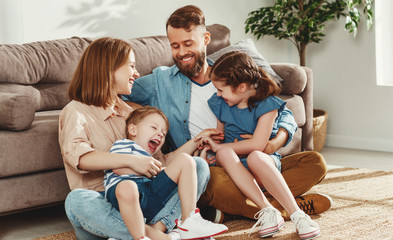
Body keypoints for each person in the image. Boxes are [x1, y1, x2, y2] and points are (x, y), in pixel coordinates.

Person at [123, 4, 331, 223]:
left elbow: (279, 110)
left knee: (315, 162)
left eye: (188, 43)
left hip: (258, 160)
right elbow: (119, 90)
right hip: (216, 166)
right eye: (175, 46)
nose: (181, 52)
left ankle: (241, 209)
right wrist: (140, 115)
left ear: (205, 39)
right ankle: (284, 207)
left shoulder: (230, 72)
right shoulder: (160, 80)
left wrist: (273, 143)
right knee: (207, 180)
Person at [58, 37, 213, 240]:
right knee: (76, 200)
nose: (137, 73)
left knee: (198, 165)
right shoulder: (75, 111)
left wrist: (196, 141)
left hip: (146, 199)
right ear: (108, 68)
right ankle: (159, 235)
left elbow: (161, 162)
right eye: (131, 66)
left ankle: (154, 231)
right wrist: (132, 161)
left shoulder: (130, 113)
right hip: (106, 206)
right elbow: (81, 158)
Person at [198, 51, 320, 239]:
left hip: (263, 165)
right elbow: (220, 139)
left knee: (256, 156)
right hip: (235, 172)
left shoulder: (267, 105)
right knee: (221, 158)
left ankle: (297, 214)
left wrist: (223, 147)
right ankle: (268, 210)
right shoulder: (221, 104)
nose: (218, 94)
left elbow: (258, 144)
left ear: (241, 87)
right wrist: (211, 148)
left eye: (221, 90)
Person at [103, 105, 227, 240]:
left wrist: (172, 171)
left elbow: (170, 163)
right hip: (126, 197)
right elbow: (119, 168)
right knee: (128, 187)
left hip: (151, 195)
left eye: (163, 133)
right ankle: (141, 237)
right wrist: (156, 170)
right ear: (133, 130)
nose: (160, 134)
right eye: (154, 128)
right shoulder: (124, 145)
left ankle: (189, 221)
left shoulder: (153, 158)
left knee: (186, 160)